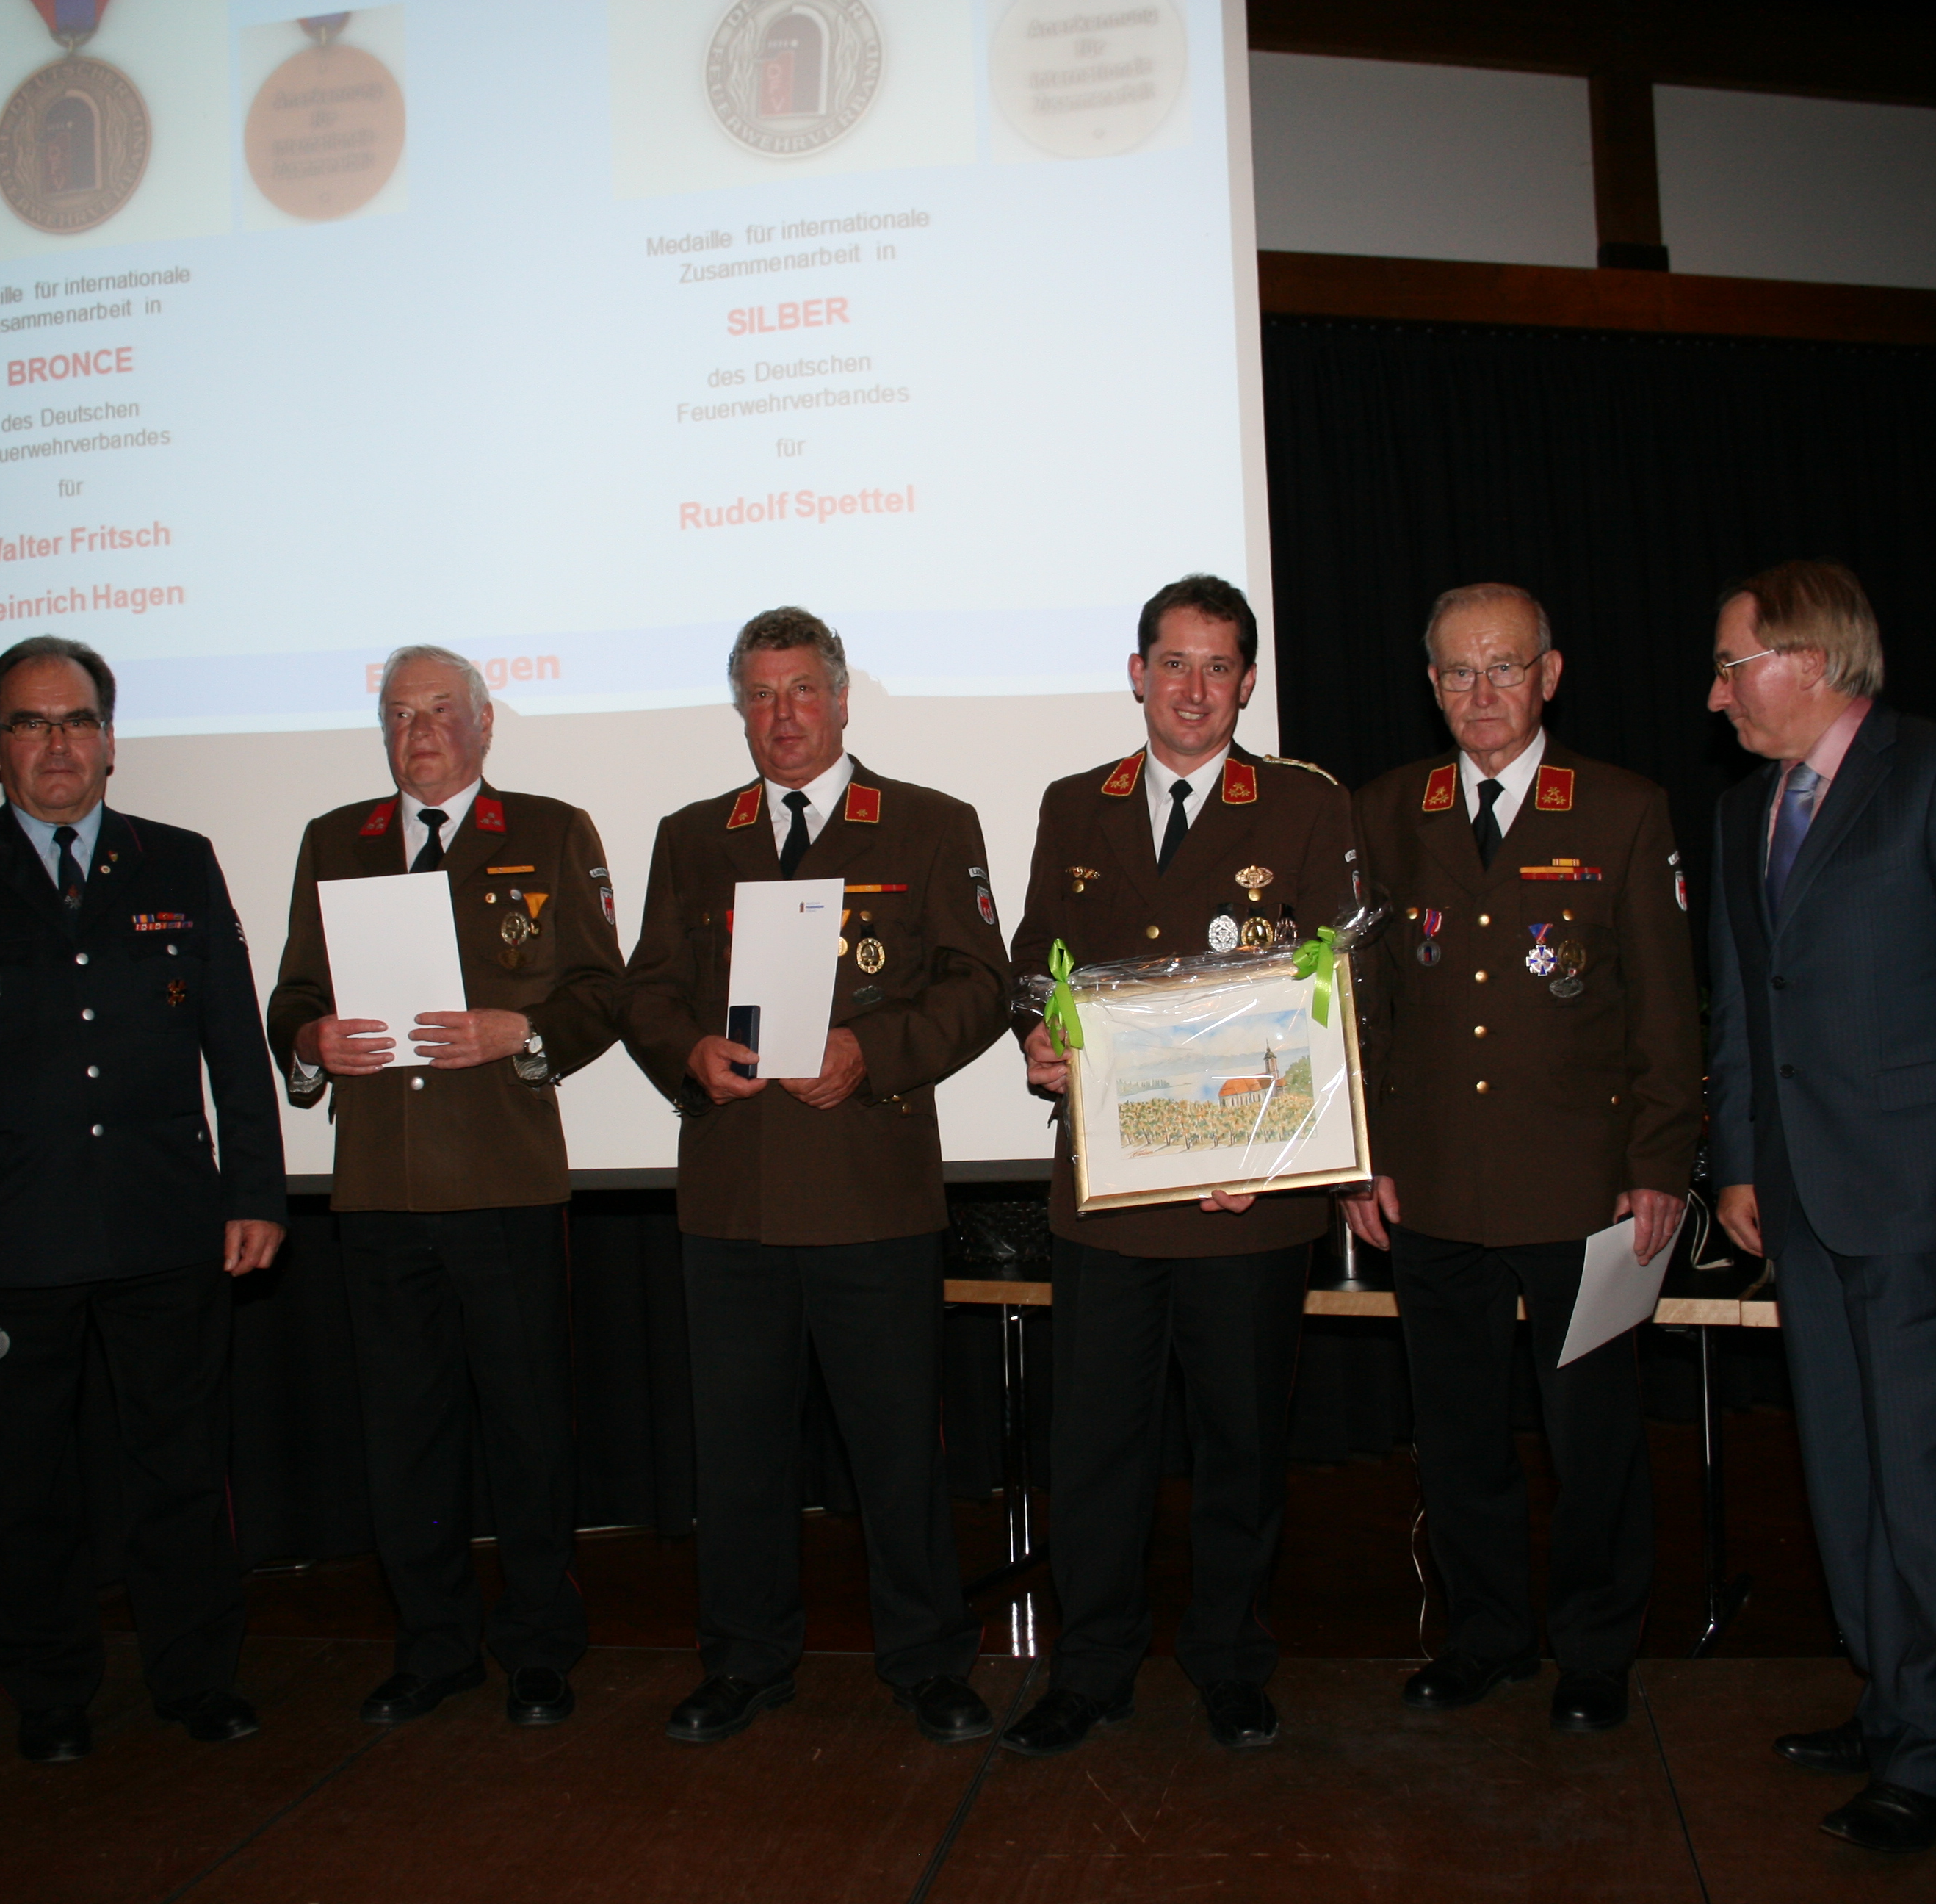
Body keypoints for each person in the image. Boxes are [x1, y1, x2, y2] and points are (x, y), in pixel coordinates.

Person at [0, 635, 287, 1764]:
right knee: (29, 1483)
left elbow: (233, 1046)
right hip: (10, 1235)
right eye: (29, 722)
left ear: (109, 740)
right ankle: (49, 1690)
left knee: (181, 1471)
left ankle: (197, 1678)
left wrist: (255, 1190)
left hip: (165, 1223)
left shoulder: (179, 863)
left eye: (76, 721)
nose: (55, 743)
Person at [1702, 561, 1936, 1853]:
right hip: (1802, 1197)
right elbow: (1745, 1004)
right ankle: (1890, 1696)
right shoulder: (1747, 809)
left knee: (1926, 1476)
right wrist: (1740, 1160)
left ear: (1808, 659)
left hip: (1918, 1197)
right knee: (1846, 1470)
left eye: (1732, 666)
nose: (1717, 695)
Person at [618, 607, 1010, 1746]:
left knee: (896, 1450)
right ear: (741, 710)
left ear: (841, 698)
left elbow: (981, 984)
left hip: (869, 1188)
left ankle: (928, 1662)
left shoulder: (929, 824)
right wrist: (688, 1051)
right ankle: (744, 1662)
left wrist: (870, 1052)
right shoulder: (694, 835)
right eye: (760, 695)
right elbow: (647, 990)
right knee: (739, 1456)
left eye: (800, 691)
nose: (781, 716)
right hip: (733, 1195)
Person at [1000, 573, 1354, 1757]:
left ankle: (1230, 1662)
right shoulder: (1075, 805)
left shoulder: (1303, 804)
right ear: (1137, 673)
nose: (1193, 689)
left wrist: (1285, 1149)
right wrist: (1040, 1030)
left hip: (1245, 1195)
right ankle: (1090, 1671)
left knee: (1240, 1449)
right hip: (1109, 1192)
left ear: (1246, 683)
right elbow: (1037, 958)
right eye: (1174, 663)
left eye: (1218, 667)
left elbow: (1341, 989)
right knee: (1096, 1449)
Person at [1337, 583, 1700, 1735]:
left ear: (1550, 675)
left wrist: (1661, 1162)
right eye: (1458, 672)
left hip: (1584, 1186)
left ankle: (1595, 1651)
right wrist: (1358, 1155)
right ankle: (1485, 1636)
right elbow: (1365, 1005)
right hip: (1431, 1181)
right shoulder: (1387, 810)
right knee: (1457, 1437)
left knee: (1593, 1440)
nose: (1481, 693)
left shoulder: (1623, 809)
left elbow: (1667, 1008)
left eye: (1504, 668)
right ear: (1431, 684)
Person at [267, 645, 623, 1731]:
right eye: (399, 715)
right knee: (404, 1436)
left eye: (438, 712)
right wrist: (311, 1042)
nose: (419, 733)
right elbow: (293, 993)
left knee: (528, 1430)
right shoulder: (337, 840)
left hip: (505, 1179)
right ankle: (432, 1646)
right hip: (380, 1186)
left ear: (483, 723)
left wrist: (524, 1032)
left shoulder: (551, 831)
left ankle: (540, 1647)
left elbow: (603, 991)